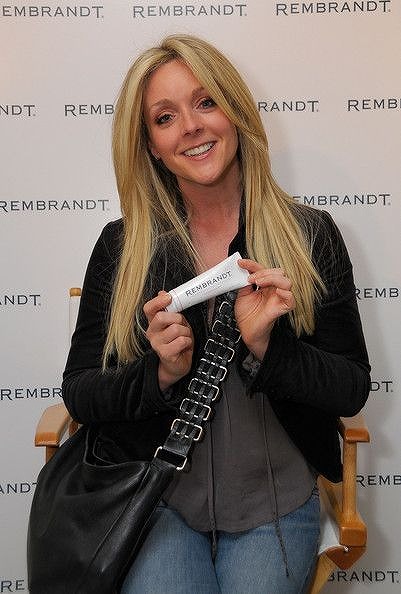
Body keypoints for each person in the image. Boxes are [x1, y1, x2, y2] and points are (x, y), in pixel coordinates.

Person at [62, 34, 370, 594]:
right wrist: (158, 374)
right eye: (165, 117)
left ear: (235, 112)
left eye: (206, 102)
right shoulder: (122, 247)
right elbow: (81, 393)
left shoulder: (310, 234)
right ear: (151, 145)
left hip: (275, 502)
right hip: (156, 500)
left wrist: (270, 348)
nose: (191, 127)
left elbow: (350, 388)